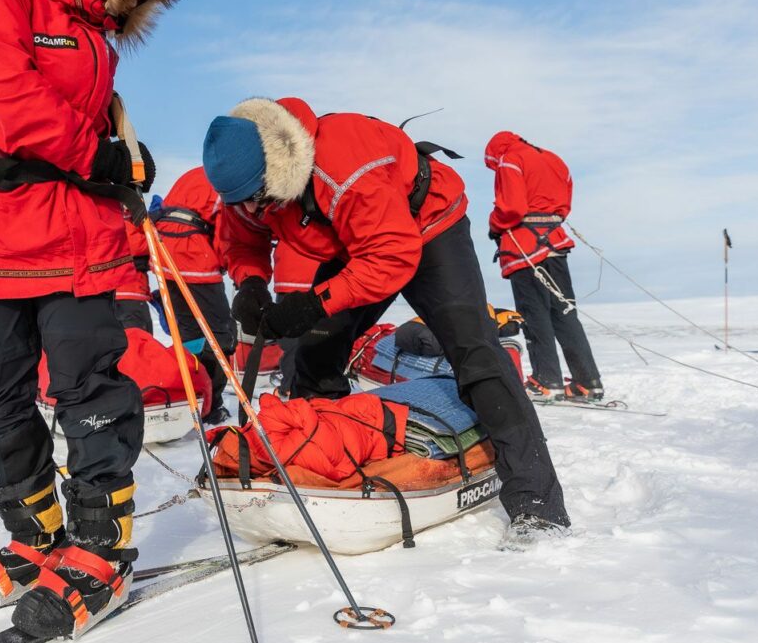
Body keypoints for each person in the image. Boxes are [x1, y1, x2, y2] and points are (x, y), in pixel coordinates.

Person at [0, 0, 197, 638]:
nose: (128, 2)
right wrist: (99, 154)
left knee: (91, 394)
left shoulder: (97, 34)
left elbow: (85, 134)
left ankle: (101, 547)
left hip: (76, 238)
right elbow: (5, 96)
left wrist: (118, 161)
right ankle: (37, 536)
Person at [204, 97, 569, 545]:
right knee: (317, 354)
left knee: (475, 354)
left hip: (428, 228)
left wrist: (313, 305)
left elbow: (391, 257)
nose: (256, 212)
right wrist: (252, 283)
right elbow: (243, 239)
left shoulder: (345, 166)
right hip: (353, 244)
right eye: (245, 204)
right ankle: (322, 466)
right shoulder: (247, 187)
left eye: (261, 200)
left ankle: (538, 505)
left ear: (279, 166)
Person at [485, 132, 603, 403]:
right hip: (555, 242)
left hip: (524, 246)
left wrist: (495, 225)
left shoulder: (510, 160)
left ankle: (546, 381)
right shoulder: (554, 160)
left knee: (534, 315)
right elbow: (564, 205)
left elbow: (511, 207)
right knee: (565, 313)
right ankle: (588, 382)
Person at [150, 166, 232, 423]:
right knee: (219, 335)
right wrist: (226, 262)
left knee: (187, 333)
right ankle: (212, 404)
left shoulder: (194, 174)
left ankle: (189, 394)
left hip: (164, 253)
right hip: (195, 256)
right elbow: (226, 232)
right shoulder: (228, 178)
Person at [271, 239, 318, 395]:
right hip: (323, 276)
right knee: (320, 336)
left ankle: (290, 387)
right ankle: (303, 387)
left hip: (291, 275)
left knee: (293, 340)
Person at [114, 214, 154, 334]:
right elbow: (137, 245)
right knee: (139, 340)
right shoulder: (122, 221)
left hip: (110, 295)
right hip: (129, 291)